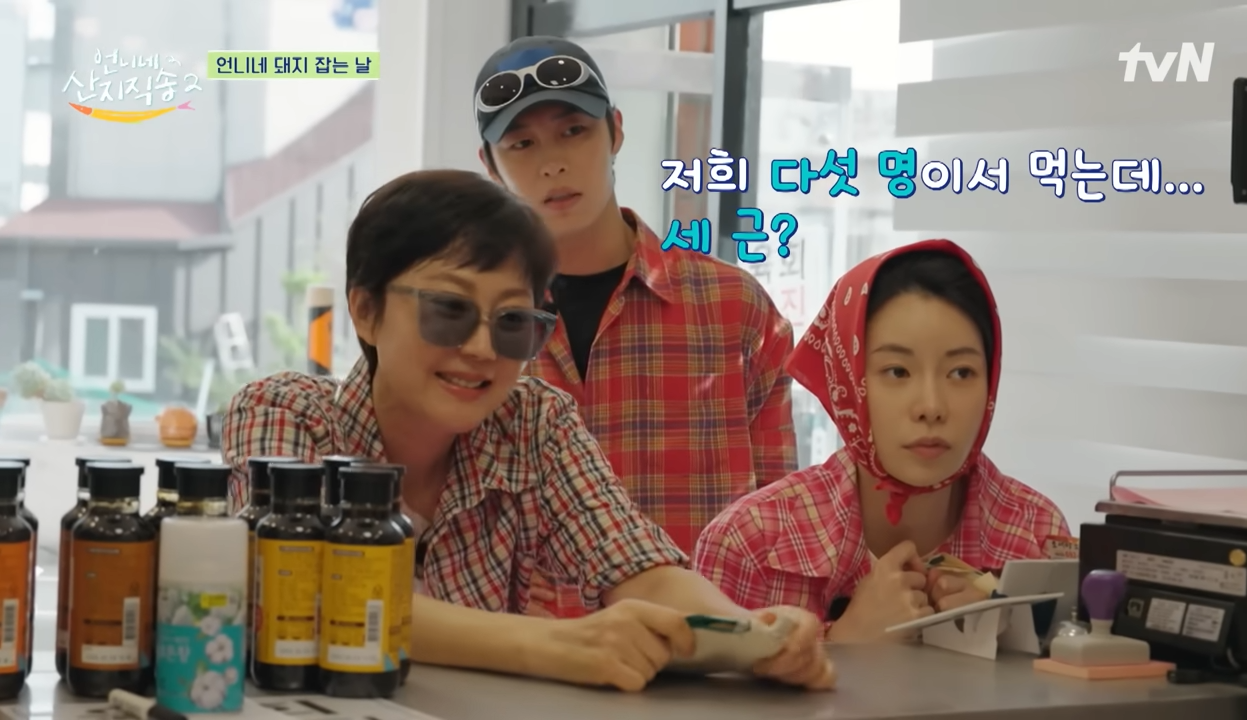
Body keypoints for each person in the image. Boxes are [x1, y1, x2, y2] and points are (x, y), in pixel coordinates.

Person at [222, 169, 833, 691]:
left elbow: (640, 570)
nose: (481, 348)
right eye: (449, 309)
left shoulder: (534, 421)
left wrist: (755, 638)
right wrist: (557, 646)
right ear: (364, 310)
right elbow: (300, 594)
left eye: (513, 322)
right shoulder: (285, 413)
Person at [473, 37, 798, 616]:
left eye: (574, 130)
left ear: (615, 131)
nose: (553, 163)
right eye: (522, 144)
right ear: (490, 165)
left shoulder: (733, 307)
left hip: (705, 646)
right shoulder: (471, 326)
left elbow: (780, 515)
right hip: (528, 654)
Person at [692, 239, 1072, 643]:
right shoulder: (747, 543)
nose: (931, 407)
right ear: (848, 379)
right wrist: (843, 641)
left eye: (961, 373)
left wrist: (1009, 641)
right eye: (897, 372)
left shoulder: (1036, 535)